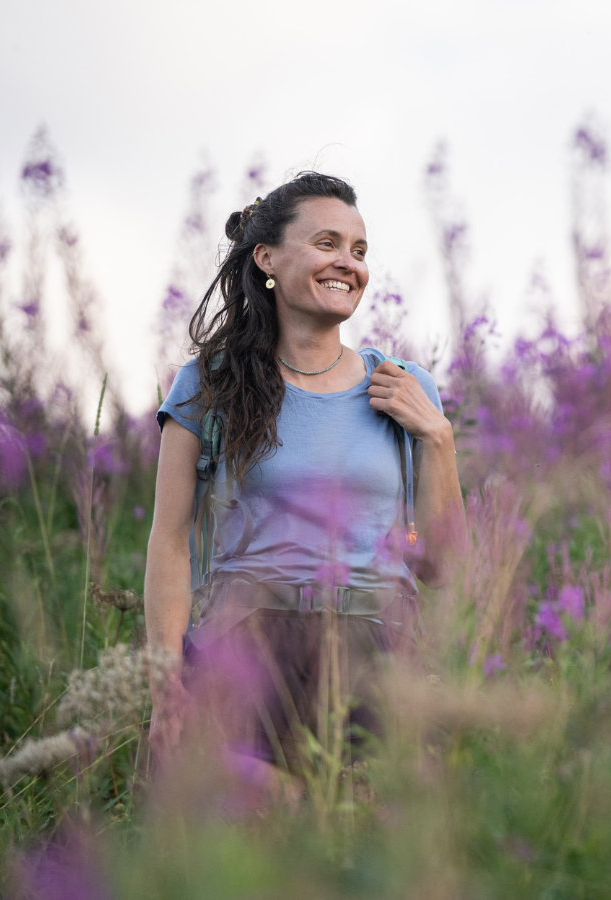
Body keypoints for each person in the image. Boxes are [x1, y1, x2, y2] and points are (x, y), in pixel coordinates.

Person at [144, 172, 464, 784]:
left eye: (360, 251)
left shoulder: (404, 389)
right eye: (327, 243)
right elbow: (168, 542)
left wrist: (438, 438)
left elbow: (448, 567)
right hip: (248, 649)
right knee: (249, 857)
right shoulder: (210, 383)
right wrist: (167, 687)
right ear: (267, 257)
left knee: (369, 858)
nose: (348, 263)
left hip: (377, 651)